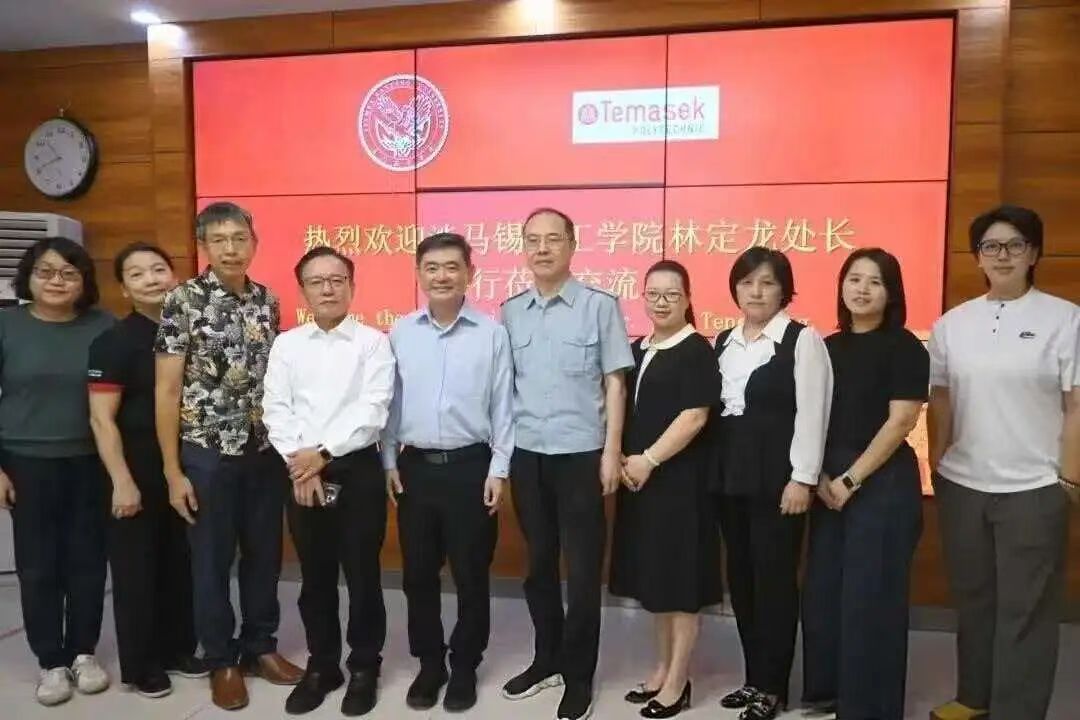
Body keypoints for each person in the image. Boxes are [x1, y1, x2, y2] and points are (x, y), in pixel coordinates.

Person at [928, 205, 1079, 720]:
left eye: (1016, 245)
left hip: (1034, 487)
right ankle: (974, 697)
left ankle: (1017, 710)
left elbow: (1076, 404)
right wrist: (938, 461)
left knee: (1026, 609)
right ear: (978, 257)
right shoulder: (952, 324)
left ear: (1034, 254)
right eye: (991, 246)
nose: (1003, 255)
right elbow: (941, 398)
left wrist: (1069, 477)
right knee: (974, 599)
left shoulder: (1065, 319)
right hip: (964, 484)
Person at [154, 202, 303, 711]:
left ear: (254, 243)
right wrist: (172, 471)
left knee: (265, 556)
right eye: (218, 239)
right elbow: (167, 389)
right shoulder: (183, 300)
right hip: (207, 454)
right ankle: (221, 659)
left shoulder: (267, 300)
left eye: (239, 238)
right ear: (204, 246)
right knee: (211, 563)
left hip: (263, 451)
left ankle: (260, 646)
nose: (231, 248)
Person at [500, 207, 634, 720]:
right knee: (537, 568)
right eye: (532, 240)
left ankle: (578, 676)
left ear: (572, 245)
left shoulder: (600, 306)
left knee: (581, 574)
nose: (542, 248)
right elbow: (505, 389)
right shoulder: (511, 312)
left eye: (552, 239)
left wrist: (611, 452)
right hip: (529, 454)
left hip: (581, 456)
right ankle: (546, 660)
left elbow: (615, 383)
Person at [381, 232, 514, 713]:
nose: (442, 276)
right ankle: (430, 663)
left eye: (452, 267)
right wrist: (389, 460)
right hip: (415, 468)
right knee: (418, 575)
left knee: (471, 574)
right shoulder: (401, 332)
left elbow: (504, 405)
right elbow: (391, 402)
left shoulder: (491, 334)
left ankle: (464, 666)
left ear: (469, 274)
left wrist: (499, 468)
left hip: (470, 468)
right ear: (419, 274)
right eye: (432, 267)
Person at [262, 246, 395, 717]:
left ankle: (364, 667)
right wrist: (300, 464)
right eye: (317, 281)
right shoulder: (287, 345)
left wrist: (320, 455)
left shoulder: (373, 343)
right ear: (303, 290)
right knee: (314, 577)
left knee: (362, 576)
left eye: (337, 280)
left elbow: (373, 410)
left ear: (351, 286)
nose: (328, 289)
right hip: (300, 470)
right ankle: (322, 666)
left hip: (355, 469)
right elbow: (275, 407)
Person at [800, 248, 928, 720]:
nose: (862, 289)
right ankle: (830, 691)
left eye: (875, 281)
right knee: (825, 590)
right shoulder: (826, 348)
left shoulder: (906, 347)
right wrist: (817, 476)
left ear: (891, 292)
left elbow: (901, 421)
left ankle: (869, 705)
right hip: (827, 483)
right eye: (854, 279)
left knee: (872, 596)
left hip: (881, 481)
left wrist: (851, 479)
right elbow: (807, 415)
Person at [713, 247, 833, 720]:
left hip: (778, 483)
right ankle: (753, 677)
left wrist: (802, 478)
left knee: (775, 583)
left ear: (784, 290)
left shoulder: (802, 340)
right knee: (742, 581)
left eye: (767, 283)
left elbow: (813, 414)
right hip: (729, 480)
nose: (756, 292)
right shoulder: (723, 341)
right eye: (746, 283)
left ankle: (773, 686)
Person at [87, 242, 208, 699]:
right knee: (136, 567)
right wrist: (122, 480)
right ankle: (141, 665)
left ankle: (179, 648)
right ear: (124, 288)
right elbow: (101, 419)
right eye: (137, 274)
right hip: (135, 464)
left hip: (185, 461)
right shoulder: (114, 342)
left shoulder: (191, 331)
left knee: (180, 560)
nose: (151, 279)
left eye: (159, 269)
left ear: (175, 277)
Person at [0, 237, 114, 706]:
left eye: (69, 273)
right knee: (38, 566)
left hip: (91, 461)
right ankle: (51, 661)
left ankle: (84, 652)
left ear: (84, 281)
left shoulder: (103, 326)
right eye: (45, 271)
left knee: (88, 561)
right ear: (28, 277)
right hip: (25, 462)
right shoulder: (7, 326)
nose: (56, 281)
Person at [609, 260, 722, 719]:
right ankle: (660, 668)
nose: (661, 302)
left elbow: (695, 417)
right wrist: (622, 459)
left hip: (680, 485)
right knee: (655, 581)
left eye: (671, 294)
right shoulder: (639, 348)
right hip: (641, 484)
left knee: (680, 584)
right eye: (653, 293)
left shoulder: (697, 350)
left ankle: (678, 680)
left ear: (688, 299)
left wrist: (649, 459)